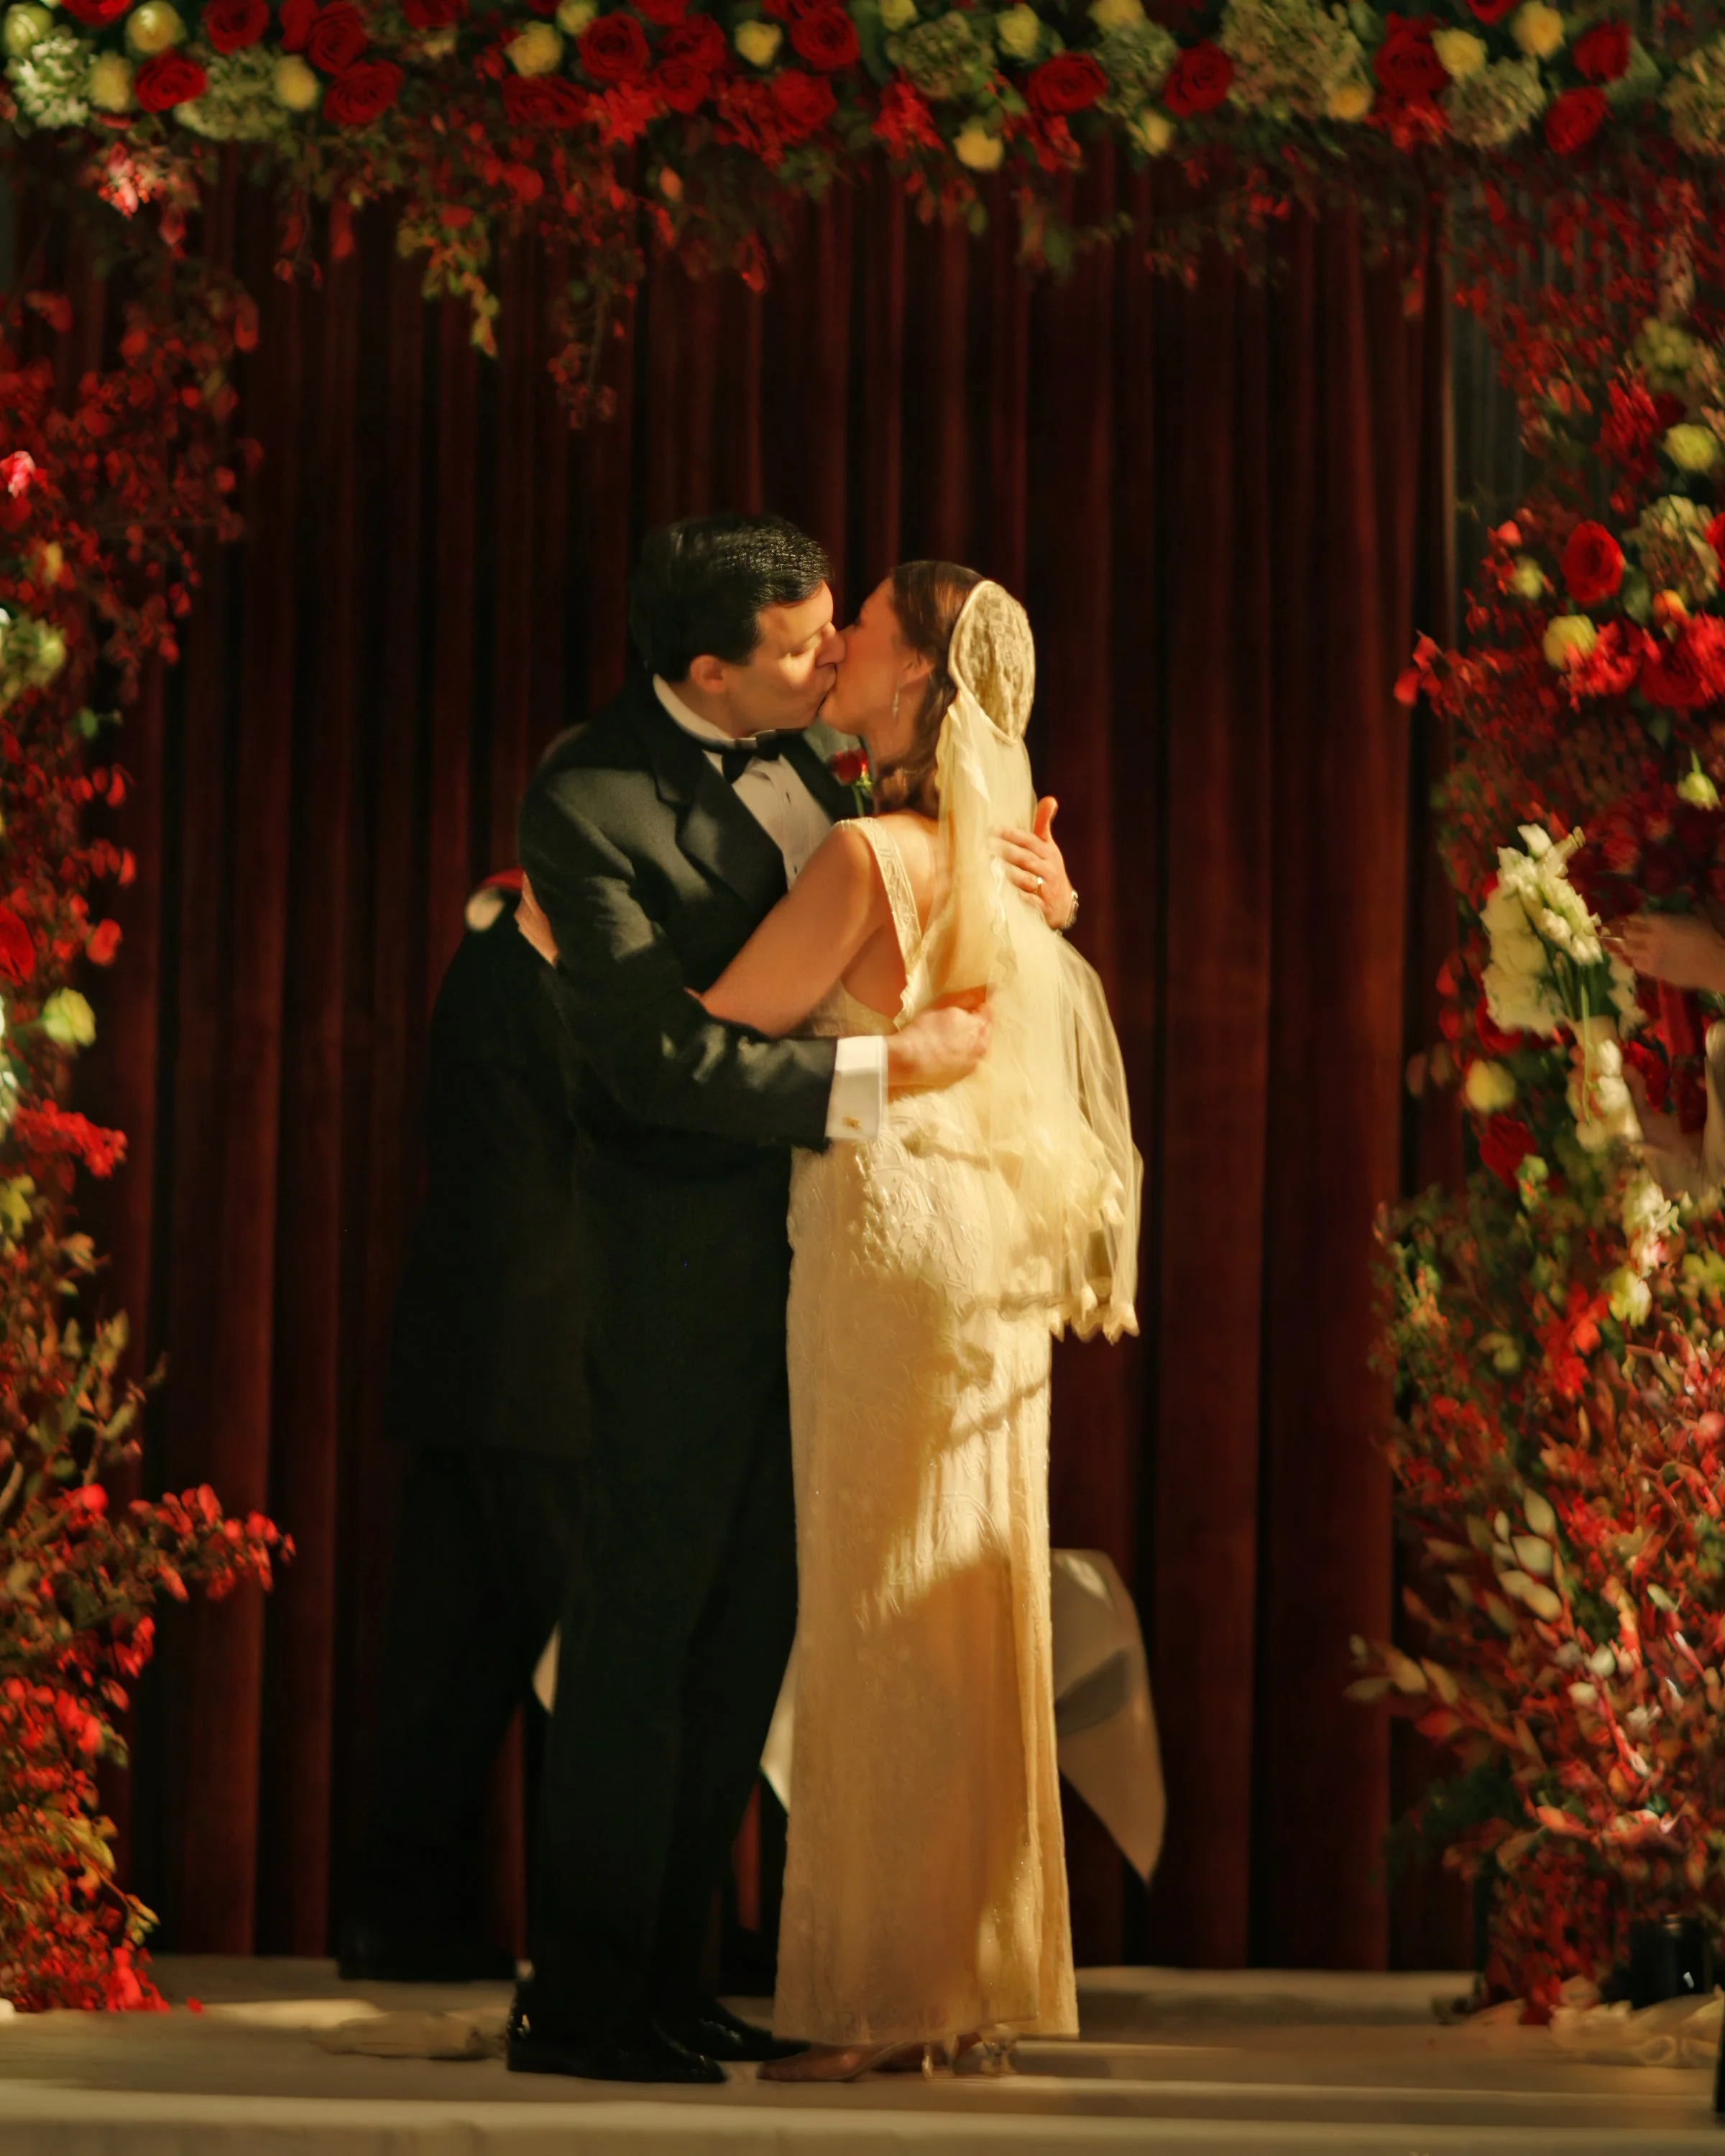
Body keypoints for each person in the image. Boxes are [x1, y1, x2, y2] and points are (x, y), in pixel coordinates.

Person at [507, 514, 1077, 2085]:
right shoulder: (591, 796)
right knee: (643, 1621)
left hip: (837, 1264)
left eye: (843, 632)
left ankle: (681, 1972)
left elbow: (937, 907)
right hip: (686, 1253)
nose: (834, 659)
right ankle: (589, 1997)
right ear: (707, 671)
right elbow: (651, 1063)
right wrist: (884, 1072)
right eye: (801, 647)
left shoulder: (825, 768)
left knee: (748, 1622)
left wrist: (1042, 886)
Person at [695, 565, 1139, 2081]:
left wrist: (556, 938)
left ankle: (869, 1992)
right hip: (989, 1256)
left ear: (912, 684)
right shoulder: (1011, 877)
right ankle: (962, 1988)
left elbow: (720, 1027)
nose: (840, 644)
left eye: (868, 627)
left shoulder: (872, 858)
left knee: (881, 1604)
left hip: (889, 1233)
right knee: (973, 1595)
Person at [341, 874, 588, 1982]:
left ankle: (399, 1916)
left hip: (476, 1360)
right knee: (595, 1651)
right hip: (529, 1364)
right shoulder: (521, 979)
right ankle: (623, 1938)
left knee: (456, 1649)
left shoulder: (494, 964)